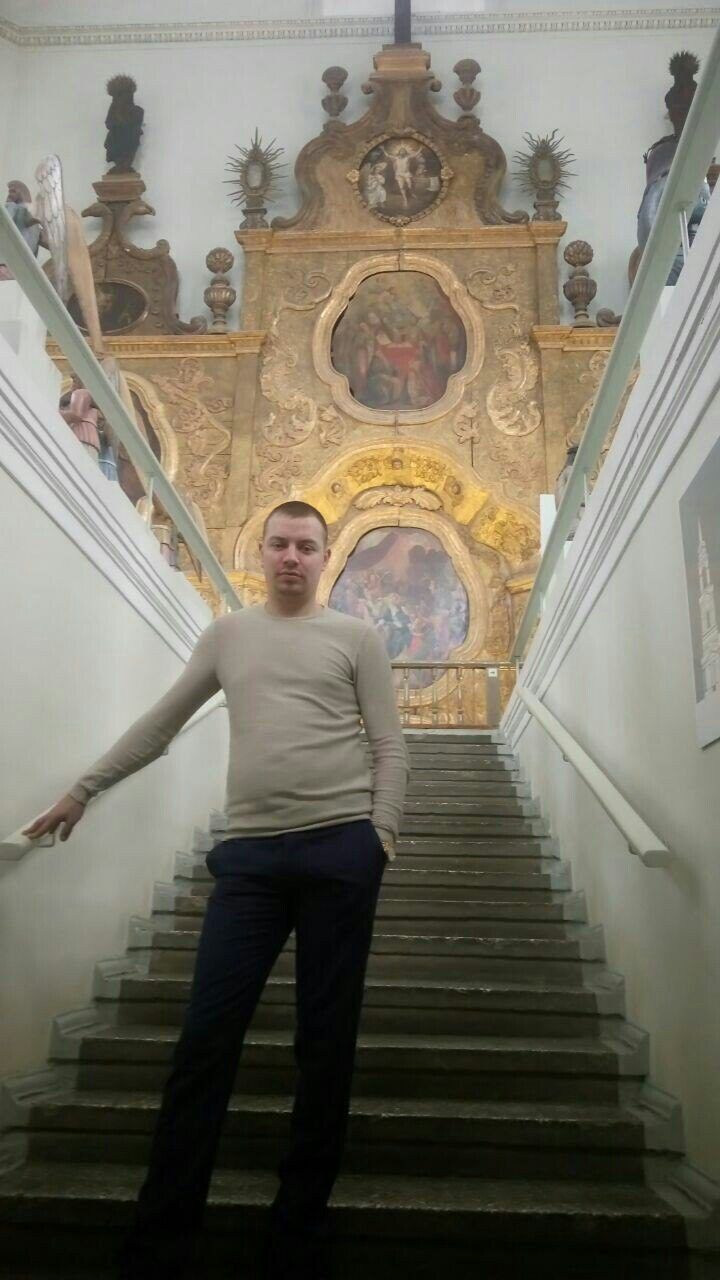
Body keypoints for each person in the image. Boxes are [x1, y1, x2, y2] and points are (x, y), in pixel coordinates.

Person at [23, 500, 409, 1280]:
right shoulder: (229, 635)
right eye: (280, 544)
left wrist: (381, 839)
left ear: (325, 557)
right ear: (260, 552)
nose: (292, 557)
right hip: (251, 862)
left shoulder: (357, 638)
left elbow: (389, 744)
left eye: (306, 546)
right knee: (205, 1038)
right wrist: (83, 789)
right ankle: (163, 1231)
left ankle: (298, 1226)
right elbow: (161, 723)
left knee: (324, 1043)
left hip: (341, 853)